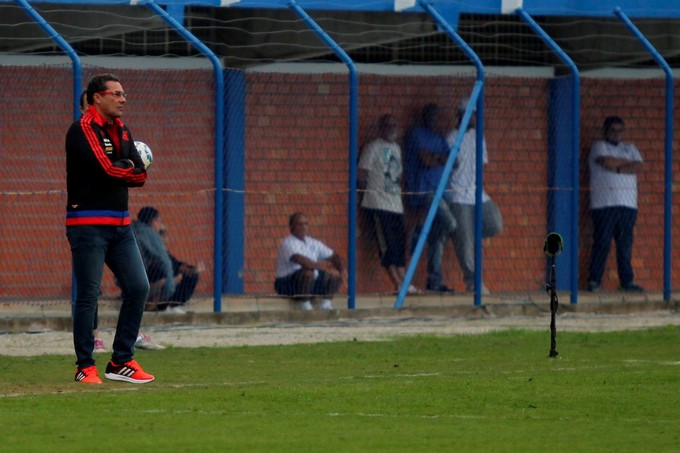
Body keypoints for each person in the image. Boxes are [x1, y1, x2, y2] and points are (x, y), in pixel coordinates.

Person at [66, 73, 154, 384]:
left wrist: (125, 168)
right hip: (87, 224)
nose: (122, 98)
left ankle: (121, 360)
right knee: (89, 295)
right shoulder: (82, 129)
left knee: (138, 287)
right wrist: (125, 168)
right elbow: (105, 170)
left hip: (120, 224)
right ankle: (84, 366)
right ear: (96, 98)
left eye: (123, 93)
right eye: (115, 94)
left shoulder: (124, 131)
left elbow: (140, 176)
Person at [77, 91, 163, 353]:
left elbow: (130, 173)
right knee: (90, 287)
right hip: (88, 224)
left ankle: (131, 334)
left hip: (117, 223)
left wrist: (132, 165)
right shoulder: (82, 138)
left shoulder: (117, 134)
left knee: (135, 282)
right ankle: (92, 338)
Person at [445, 98, 503, 295]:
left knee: (495, 223)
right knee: (466, 244)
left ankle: (463, 234)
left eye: (474, 115)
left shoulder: (479, 136)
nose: (472, 118)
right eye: (468, 114)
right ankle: (473, 282)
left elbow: (481, 165)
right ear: (460, 115)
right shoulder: (451, 137)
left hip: (477, 192)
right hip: (458, 194)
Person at [358, 114, 421, 295]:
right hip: (378, 204)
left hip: (395, 205)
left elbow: (398, 175)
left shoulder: (396, 148)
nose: (392, 129)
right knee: (387, 247)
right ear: (381, 127)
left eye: (395, 125)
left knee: (399, 247)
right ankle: (397, 283)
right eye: (388, 125)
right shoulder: (373, 148)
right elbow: (362, 175)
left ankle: (406, 282)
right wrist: (369, 196)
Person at [403, 103, 457, 292]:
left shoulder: (440, 139)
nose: (434, 120)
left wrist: (438, 159)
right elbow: (426, 161)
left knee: (438, 238)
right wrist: (440, 158)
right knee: (450, 223)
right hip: (425, 191)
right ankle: (420, 231)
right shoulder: (416, 134)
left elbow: (454, 162)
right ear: (424, 117)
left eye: (437, 116)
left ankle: (435, 281)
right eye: (431, 116)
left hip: (442, 192)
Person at [587, 116, 644, 293]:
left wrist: (617, 168)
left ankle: (626, 282)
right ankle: (594, 280)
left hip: (627, 204)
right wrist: (626, 166)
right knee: (602, 243)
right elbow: (605, 162)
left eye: (620, 130)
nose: (617, 134)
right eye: (613, 130)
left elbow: (639, 166)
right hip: (605, 204)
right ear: (606, 131)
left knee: (625, 246)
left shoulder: (630, 148)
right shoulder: (599, 147)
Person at [133, 206, 202, 313]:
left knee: (185, 274)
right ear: (152, 221)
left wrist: (192, 270)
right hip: (146, 278)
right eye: (159, 221)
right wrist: (171, 283)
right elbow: (165, 262)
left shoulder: (135, 231)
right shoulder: (148, 237)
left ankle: (168, 305)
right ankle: (154, 306)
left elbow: (174, 262)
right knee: (166, 274)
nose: (160, 226)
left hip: (138, 278)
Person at [274, 212, 345, 310]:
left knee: (334, 274)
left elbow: (334, 256)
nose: (304, 227)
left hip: (310, 283)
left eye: (306, 224)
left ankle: (326, 304)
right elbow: (302, 261)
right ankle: (305, 305)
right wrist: (324, 268)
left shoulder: (312, 242)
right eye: (300, 224)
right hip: (287, 284)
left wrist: (342, 270)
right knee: (308, 272)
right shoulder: (288, 242)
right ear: (291, 226)